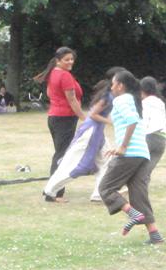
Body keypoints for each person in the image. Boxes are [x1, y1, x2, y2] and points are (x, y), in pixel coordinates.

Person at [98, 70, 164, 245]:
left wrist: (123, 147)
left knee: (105, 188)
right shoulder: (135, 100)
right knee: (138, 192)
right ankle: (155, 235)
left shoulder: (121, 100)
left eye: (113, 83)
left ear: (120, 85)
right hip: (142, 153)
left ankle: (133, 214)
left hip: (131, 153)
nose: (111, 87)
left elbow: (132, 120)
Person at [41, 68, 122, 203]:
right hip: (90, 133)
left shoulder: (111, 95)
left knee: (107, 161)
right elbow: (94, 115)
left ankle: (99, 194)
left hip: (98, 134)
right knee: (74, 164)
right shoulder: (107, 96)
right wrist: (111, 122)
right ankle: (50, 191)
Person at [35, 47, 86, 202]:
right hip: (64, 118)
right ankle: (53, 193)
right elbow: (72, 100)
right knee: (62, 156)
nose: (70, 62)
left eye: (72, 59)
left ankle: (53, 189)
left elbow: (51, 94)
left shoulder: (54, 73)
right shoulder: (64, 76)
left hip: (54, 117)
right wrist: (84, 117)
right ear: (58, 61)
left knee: (60, 153)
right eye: (67, 59)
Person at [140, 77, 166, 175]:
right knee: (146, 171)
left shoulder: (145, 103)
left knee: (137, 168)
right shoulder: (160, 102)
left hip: (150, 136)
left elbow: (145, 121)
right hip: (162, 138)